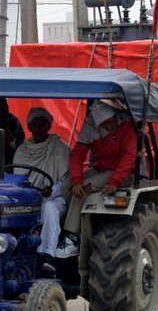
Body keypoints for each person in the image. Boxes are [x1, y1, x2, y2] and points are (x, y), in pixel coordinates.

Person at [58, 100, 137, 256]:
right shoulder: (89, 127)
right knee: (66, 185)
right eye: (108, 123)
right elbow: (77, 156)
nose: (113, 123)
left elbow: (129, 157)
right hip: (101, 168)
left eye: (113, 119)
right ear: (99, 124)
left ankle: (72, 235)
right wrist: (76, 180)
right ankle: (77, 221)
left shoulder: (126, 125)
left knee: (85, 188)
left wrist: (114, 181)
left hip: (127, 172)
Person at [13, 107, 70, 272]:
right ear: (29, 128)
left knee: (50, 208)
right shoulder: (22, 151)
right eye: (35, 125)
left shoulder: (60, 148)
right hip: (28, 198)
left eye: (42, 124)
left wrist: (51, 191)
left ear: (49, 126)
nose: (38, 128)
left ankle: (47, 256)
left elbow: (66, 180)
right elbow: (18, 180)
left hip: (55, 197)